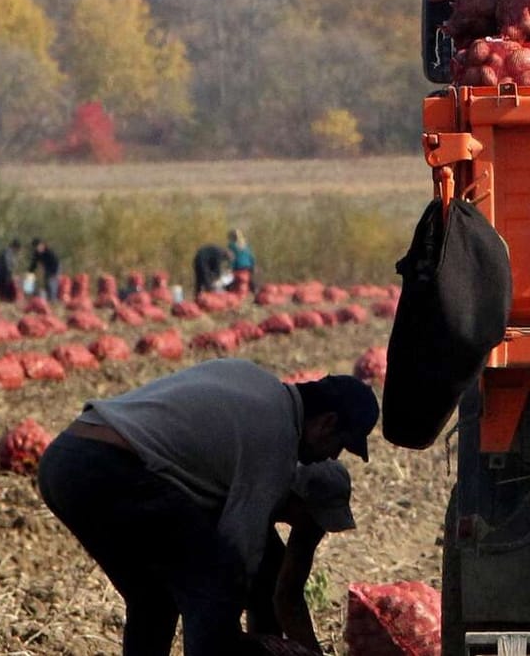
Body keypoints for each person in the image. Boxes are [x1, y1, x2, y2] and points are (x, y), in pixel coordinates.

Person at [35, 361, 379, 656]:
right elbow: (241, 551)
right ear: (327, 422)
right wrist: (252, 645)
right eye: (339, 445)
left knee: (154, 600)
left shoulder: (257, 386)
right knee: (216, 578)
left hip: (65, 461)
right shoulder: (277, 436)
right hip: (109, 466)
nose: (332, 456)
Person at [246, 461, 355, 652]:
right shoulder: (256, 492)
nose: (317, 527)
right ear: (295, 498)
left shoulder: (310, 520)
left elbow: (288, 594)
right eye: (315, 517)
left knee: (269, 576)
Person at [29, 237, 61, 302]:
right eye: (35, 247)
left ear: (41, 245)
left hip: (55, 268)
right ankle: (48, 300)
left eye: (37, 246)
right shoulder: (37, 253)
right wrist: (30, 273)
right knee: (47, 284)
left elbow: (56, 262)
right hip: (47, 269)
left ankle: (53, 300)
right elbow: (34, 263)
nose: (37, 249)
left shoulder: (49, 251)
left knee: (52, 283)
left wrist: (54, 273)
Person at [228, 229, 257, 295]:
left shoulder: (231, 245)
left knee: (231, 281)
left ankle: (230, 293)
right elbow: (251, 257)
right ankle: (254, 292)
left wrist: (230, 268)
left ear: (231, 237)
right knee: (249, 281)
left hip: (238, 266)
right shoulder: (246, 245)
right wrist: (253, 266)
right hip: (248, 266)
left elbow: (231, 258)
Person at [0, 239, 19, 304]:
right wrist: (11, 275)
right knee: (4, 294)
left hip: (1, 275)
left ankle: (3, 302)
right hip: (2, 276)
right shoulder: (8, 252)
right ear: (15, 247)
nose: (17, 251)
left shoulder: (8, 252)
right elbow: (7, 265)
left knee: (3, 294)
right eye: (17, 249)